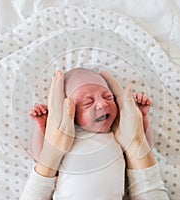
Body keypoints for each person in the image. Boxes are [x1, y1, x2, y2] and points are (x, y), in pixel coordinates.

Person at [20, 68, 169, 199]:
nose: (103, 104)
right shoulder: (69, 138)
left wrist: (142, 117)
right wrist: (42, 127)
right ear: (69, 111)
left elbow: (144, 148)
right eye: (87, 102)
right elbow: (41, 156)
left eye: (108, 97)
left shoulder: (116, 137)